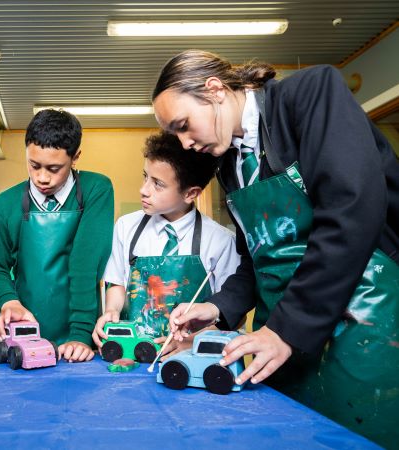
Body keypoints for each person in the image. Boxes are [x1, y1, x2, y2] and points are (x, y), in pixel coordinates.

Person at [152, 49, 398, 446]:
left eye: (183, 125)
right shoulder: (229, 164)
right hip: (284, 331)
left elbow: (351, 212)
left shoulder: (310, 94)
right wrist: (217, 307)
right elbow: (257, 257)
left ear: (214, 90)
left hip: (366, 319)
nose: (184, 142)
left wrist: (284, 330)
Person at [92, 131, 240, 358]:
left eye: (158, 184)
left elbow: (232, 313)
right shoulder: (126, 227)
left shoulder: (220, 241)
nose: (144, 189)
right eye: (145, 177)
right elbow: (118, 283)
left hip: (190, 356)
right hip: (131, 354)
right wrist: (111, 311)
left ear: (191, 193)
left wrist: (195, 340)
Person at [0, 109, 114, 362]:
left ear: (75, 157)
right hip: (22, 333)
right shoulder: (5, 204)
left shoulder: (96, 189)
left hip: (81, 336)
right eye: (34, 165)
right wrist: (9, 302)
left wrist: (80, 335)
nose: (42, 178)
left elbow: (85, 262)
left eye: (54, 168)